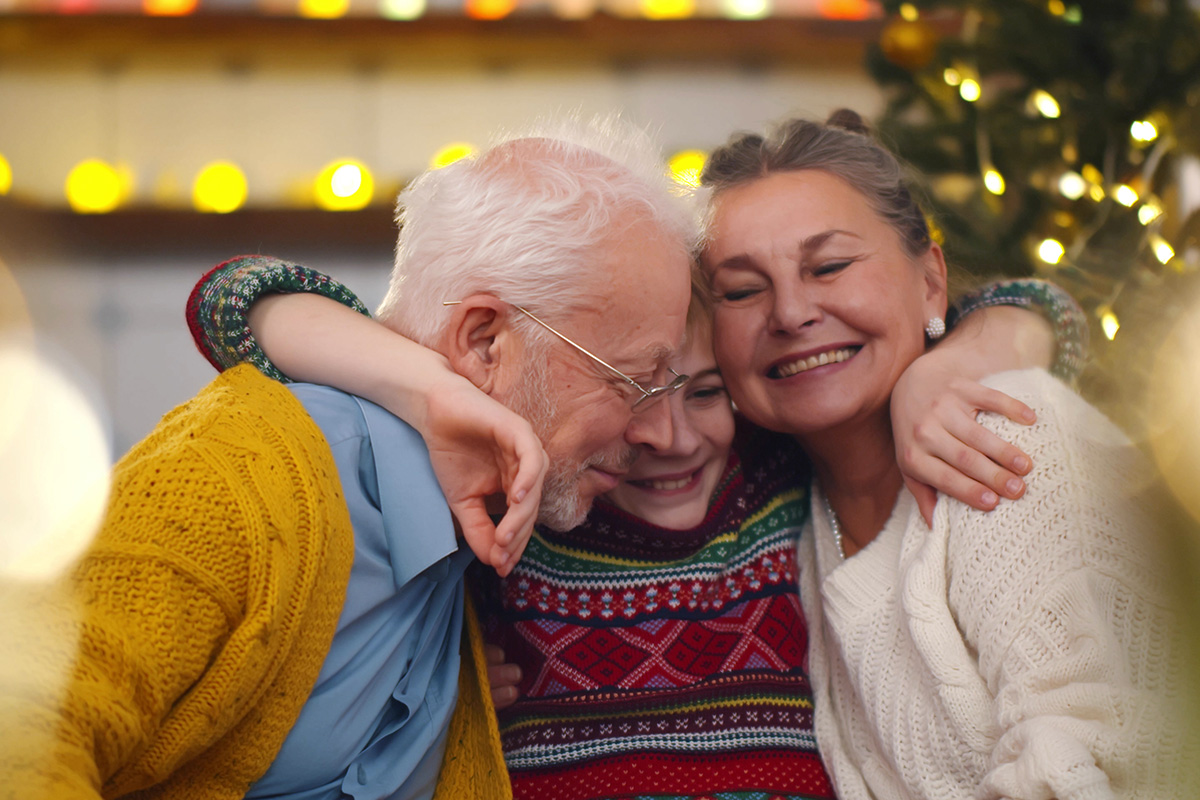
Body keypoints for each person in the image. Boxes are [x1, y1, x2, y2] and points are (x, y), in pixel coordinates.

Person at [184, 229, 1083, 797]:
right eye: (630, 389)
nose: (664, 434)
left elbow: (1041, 308)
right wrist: (430, 389)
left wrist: (940, 369)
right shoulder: (533, 494)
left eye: (700, 391)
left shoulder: (768, 475)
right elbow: (236, 294)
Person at [0, 115, 704, 800]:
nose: (664, 433)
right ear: (486, 342)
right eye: (634, 381)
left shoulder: (496, 534)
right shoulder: (237, 479)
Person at [699, 111, 1190, 799]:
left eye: (830, 266)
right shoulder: (785, 515)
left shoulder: (1009, 436)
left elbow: (1087, 766)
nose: (790, 313)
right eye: (743, 290)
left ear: (930, 282)